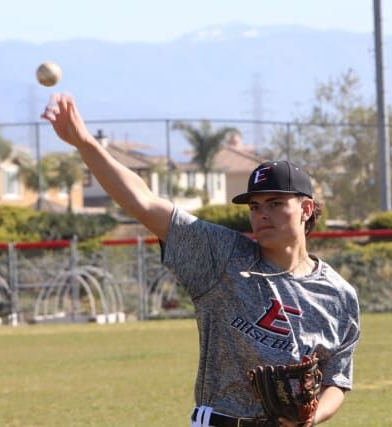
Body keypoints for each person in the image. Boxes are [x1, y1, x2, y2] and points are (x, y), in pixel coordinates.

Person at [42, 93, 360, 427]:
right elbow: (144, 202)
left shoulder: (337, 295)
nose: (262, 214)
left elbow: (337, 379)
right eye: (255, 206)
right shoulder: (221, 256)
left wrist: (311, 417)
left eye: (275, 203)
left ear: (306, 209)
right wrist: (84, 142)